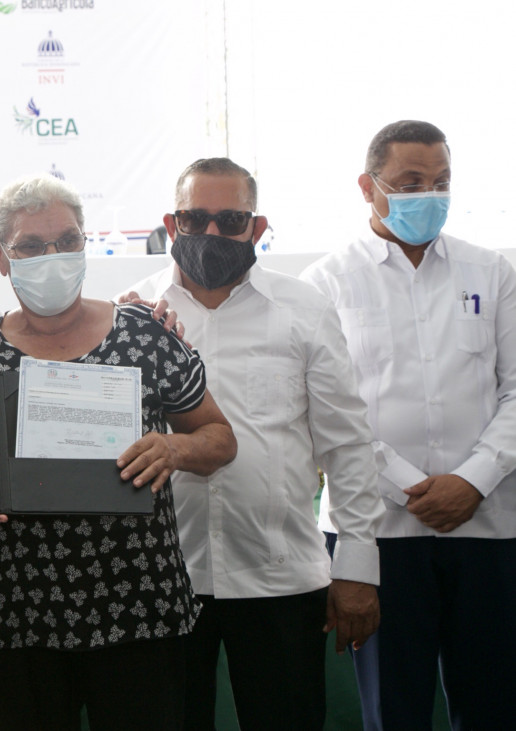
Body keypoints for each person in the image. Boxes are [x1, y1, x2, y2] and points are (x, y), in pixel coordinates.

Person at [0, 174, 237, 731]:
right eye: (31, 246)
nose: (52, 256)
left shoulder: (146, 335)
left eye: (67, 240)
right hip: (17, 615)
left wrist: (173, 447)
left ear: (85, 244)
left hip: (138, 608)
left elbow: (220, 438)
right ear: (0, 258)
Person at [123, 158, 384, 730]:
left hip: (279, 573)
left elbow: (346, 444)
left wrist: (357, 564)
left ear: (257, 228)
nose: (212, 232)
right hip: (163, 575)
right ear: (172, 224)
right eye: (195, 219)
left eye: (231, 220)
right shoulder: (131, 313)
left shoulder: (304, 308)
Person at [300, 120, 516, 731]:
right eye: (412, 183)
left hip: (487, 524)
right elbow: (328, 412)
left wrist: (472, 480)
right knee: (393, 710)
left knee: (494, 704)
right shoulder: (325, 283)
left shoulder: (492, 272)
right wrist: (410, 486)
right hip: (377, 533)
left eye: (442, 182)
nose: (430, 196)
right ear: (367, 186)